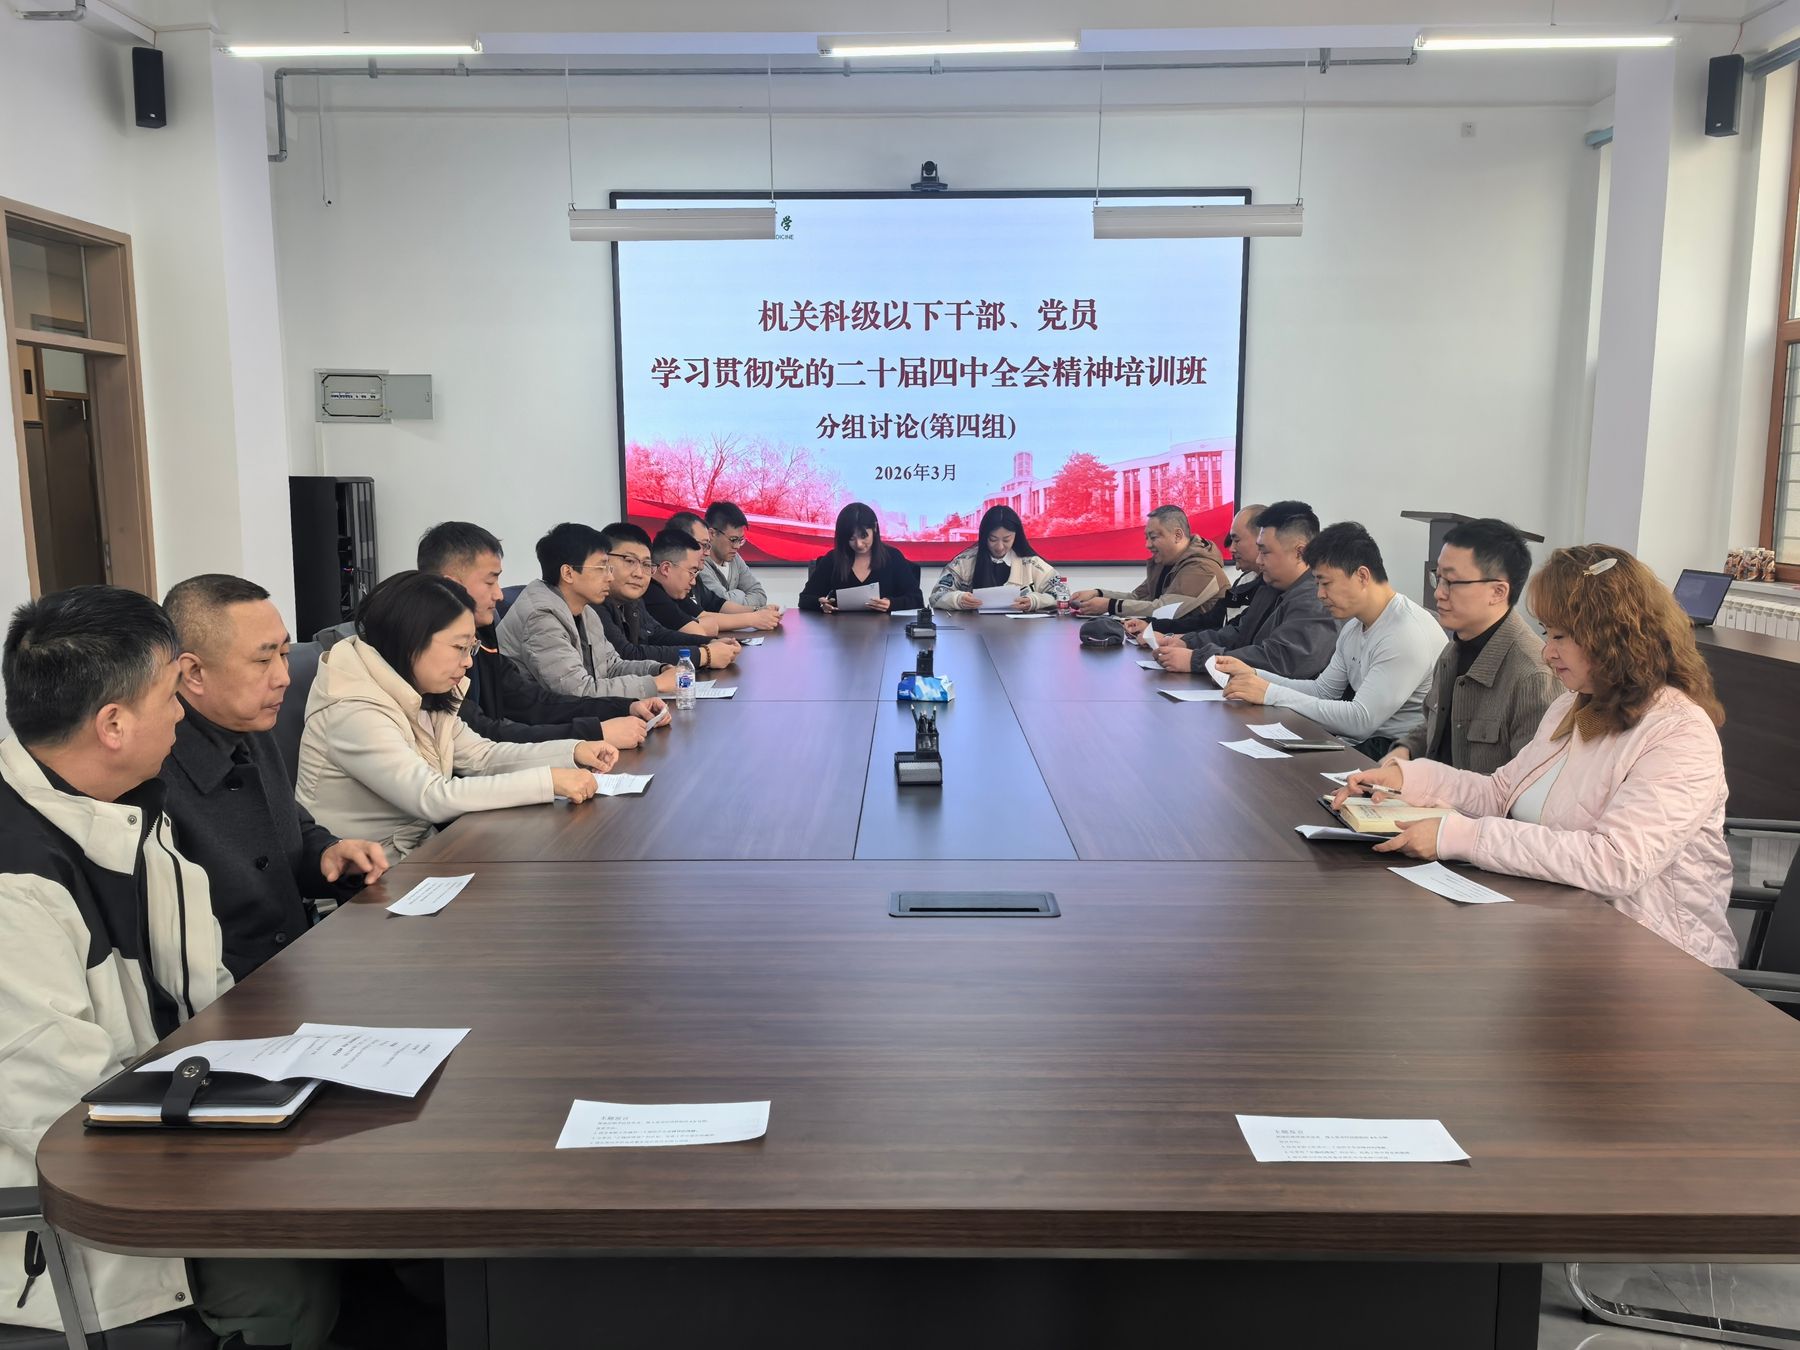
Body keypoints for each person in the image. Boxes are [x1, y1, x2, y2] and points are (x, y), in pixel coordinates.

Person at [0, 586, 340, 1347]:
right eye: (167, 696)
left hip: (175, 1127)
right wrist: (238, 1137)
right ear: (113, 724)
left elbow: (203, 1001)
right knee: (291, 1283)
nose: (181, 716)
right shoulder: (17, 890)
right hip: (86, 1208)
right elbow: (65, 1123)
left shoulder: (125, 809)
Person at [1339, 545, 1736, 968]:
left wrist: (1459, 836)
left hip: (1658, 962)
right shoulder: (1574, 706)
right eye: (1547, 633)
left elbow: (1616, 863)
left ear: (1613, 635)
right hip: (1562, 934)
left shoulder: (1679, 732)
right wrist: (1407, 779)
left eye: (1560, 636)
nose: (1547, 651)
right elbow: (1500, 793)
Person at [299, 571, 618, 863]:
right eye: (459, 647)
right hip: (364, 883)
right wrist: (548, 781)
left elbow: (483, 756)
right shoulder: (353, 709)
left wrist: (572, 751)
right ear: (410, 639)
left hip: (421, 856)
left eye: (471, 648)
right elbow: (431, 796)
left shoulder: (417, 686)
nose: (468, 662)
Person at [160, 573, 389, 980]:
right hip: (230, 993)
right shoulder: (156, 768)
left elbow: (289, 829)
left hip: (297, 967)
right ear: (193, 672)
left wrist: (329, 853)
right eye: (263, 660)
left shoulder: (252, 728)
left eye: (284, 653)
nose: (284, 676)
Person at [419, 521, 665, 751]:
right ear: (452, 586)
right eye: (490, 582)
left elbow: (533, 702)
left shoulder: (482, 633)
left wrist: (626, 706)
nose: (499, 595)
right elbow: (485, 736)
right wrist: (595, 732)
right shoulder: (537, 614)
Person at [1213, 522, 1445, 760]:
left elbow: (1359, 720)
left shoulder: (1405, 633)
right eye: (1317, 584)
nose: (1320, 595)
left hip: (1396, 754)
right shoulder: (1354, 626)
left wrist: (1270, 693)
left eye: (1326, 583)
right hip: (1362, 744)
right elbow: (1322, 691)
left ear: (1362, 576)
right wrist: (1254, 674)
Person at [1383, 518, 1556, 773]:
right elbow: (1438, 725)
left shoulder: (1533, 675)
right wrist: (1404, 750)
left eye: (1452, 582)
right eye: (1438, 578)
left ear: (1498, 592)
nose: (1439, 593)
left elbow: (1525, 784)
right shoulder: (1452, 651)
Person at [1153, 500, 1336, 679]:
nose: (1258, 560)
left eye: (1265, 552)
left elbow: (1281, 660)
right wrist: (1186, 642)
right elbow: (1239, 633)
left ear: (1299, 553)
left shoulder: (1316, 599)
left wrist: (1199, 660)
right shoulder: (1270, 588)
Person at [497, 522, 678, 701]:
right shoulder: (540, 618)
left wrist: (657, 669)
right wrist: (656, 683)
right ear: (568, 573)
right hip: (537, 717)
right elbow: (578, 693)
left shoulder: (586, 612)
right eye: (601, 568)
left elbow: (612, 667)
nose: (610, 577)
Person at [600, 522, 739, 670]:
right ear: (602, 560)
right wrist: (705, 654)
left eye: (646, 564)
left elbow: (657, 634)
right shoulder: (594, 604)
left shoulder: (632, 601)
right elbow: (626, 655)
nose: (639, 573)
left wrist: (709, 642)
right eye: (629, 561)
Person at [1125, 503, 1264, 640]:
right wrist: (1152, 626)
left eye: (1236, 540)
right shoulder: (1244, 581)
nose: (1231, 549)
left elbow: (1234, 636)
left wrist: (1175, 640)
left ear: (1261, 539)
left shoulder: (1201, 567)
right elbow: (1211, 621)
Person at [1069, 505, 1228, 621]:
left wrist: (1109, 605)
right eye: (1146, 538)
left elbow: (1164, 609)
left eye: (1153, 537)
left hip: (1193, 647)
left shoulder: (1202, 567)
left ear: (1177, 535)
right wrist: (1099, 594)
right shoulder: (1165, 562)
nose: (1147, 545)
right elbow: (1138, 597)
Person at [928, 504, 1070, 613]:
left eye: (1007, 539)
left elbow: (1062, 593)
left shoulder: (1031, 563)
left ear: (1016, 536)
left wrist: (1035, 601)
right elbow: (936, 595)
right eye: (993, 539)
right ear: (984, 537)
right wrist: (957, 599)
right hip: (972, 630)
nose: (1000, 547)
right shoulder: (964, 561)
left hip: (1021, 632)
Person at [797, 502, 925, 612]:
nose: (858, 544)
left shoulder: (893, 557)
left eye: (863, 536)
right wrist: (821, 604)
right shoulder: (833, 559)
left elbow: (917, 599)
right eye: (851, 538)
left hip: (885, 630)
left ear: (874, 528)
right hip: (840, 630)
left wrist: (891, 604)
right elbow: (805, 599)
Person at [665, 510, 780, 632]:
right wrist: (753, 618)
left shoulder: (694, 578)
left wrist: (758, 611)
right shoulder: (659, 589)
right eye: (704, 545)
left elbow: (717, 606)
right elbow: (697, 624)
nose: (707, 552)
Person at [644, 527, 748, 654]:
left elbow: (709, 624)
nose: (693, 581)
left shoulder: (674, 591)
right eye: (691, 572)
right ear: (666, 568)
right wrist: (700, 627)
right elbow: (698, 633)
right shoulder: (650, 592)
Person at [699, 500, 769, 608]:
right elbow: (721, 603)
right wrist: (740, 593)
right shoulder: (699, 563)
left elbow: (760, 595)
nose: (737, 546)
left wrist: (734, 601)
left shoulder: (735, 558)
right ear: (712, 534)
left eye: (740, 540)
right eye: (733, 539)